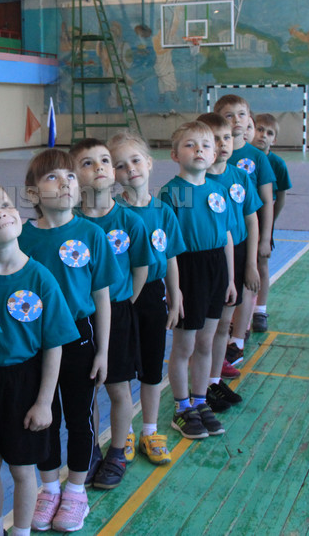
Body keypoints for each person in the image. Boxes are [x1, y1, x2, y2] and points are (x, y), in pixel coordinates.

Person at [0, 181, 78, 536]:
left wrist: (44, 402)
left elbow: (54, 344)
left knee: (24, 470)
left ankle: (22, 531)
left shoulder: (40, 278)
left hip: (26, 383)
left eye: (4, 205)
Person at [18, 149, 119, 533]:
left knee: (80, 417)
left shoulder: (92, 234)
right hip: (35, 342)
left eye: (70, 177)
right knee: (42, 418)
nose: (64, 183)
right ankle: (48, 489)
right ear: (32, 193)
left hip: (79, 338)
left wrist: (103, 350)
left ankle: (76, 491)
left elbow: (101, 297)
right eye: (52, 177)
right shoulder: (22, 238)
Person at [71, 138, 151, 489]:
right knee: (86, 392)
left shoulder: (130, 221)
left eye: (105, 160)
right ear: (73, 175)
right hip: (78, 320)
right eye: (87, 163)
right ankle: (90, 451)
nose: (99, 167)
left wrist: (124, 304)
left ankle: (118, 451)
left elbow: (140, 269)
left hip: (117, 313)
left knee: (118, 388)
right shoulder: (68, 224)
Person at [108, 131, 186, 466]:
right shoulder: (113, 214)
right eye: (120, 165)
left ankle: (149, 431)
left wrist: (175, 292)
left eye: (136, 160)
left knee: (152, 366)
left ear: (150, 163)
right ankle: (124, 431)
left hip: (153, 295)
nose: (130, 169)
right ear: (113, 174)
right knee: (122, 369)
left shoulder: (164, 211)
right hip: (121, 299)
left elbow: (170, 256)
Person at [159, 121, 235, 441]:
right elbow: (168, 248)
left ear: (214, 154)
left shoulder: (218, 190)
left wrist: (230, 279)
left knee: (206, 342)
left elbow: (226, 235)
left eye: (205, 145)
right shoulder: (171, 193)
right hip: (187, 268)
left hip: (216, 268)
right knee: (185, 345)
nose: (199, 150)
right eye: (190, 145)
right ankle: (181, 407)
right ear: (175, 155)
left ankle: (201, 400)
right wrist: (173, 289)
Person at [199, 112, 261, 411]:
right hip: (208, 257)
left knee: (225, 323)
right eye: (214, 139)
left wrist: (251, 263)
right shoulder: (196, 181)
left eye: (227, 137)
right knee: (207, 328)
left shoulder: (241, 177)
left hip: (237, 252)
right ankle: (200, 386)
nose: (223, 144)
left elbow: (252, 220)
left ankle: (214, 380)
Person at [213, 94, 274, 361]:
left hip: (247, 235)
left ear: (249, 118)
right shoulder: (209, 158)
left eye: (241, 114)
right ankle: (222, 336)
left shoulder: (256, 158)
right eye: (229, 115)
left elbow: (266, 201)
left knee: (248, 282)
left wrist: (264, 238)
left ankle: (239, 336)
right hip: (218, 240)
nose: (236, 120)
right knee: (227, 288)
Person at [250, 112, 292, 333]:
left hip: (263, 221)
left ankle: (260, 309)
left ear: (274, 139)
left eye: (269, 133)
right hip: (241, 221)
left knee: (261, 264)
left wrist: (269, 223)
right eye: (259, 130)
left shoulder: (277, 164)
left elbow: (281, 197)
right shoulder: (241, 158)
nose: (262, 135)